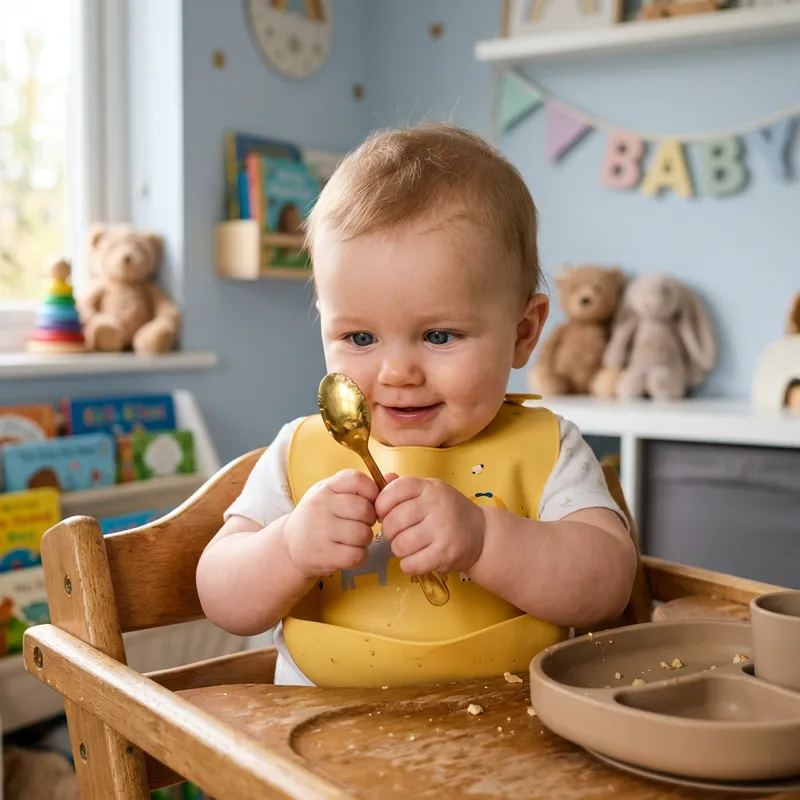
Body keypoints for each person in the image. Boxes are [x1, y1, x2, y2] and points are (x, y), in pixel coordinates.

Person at [196, 122, 637, 687]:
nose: (397, 374)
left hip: (507, 730)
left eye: (438, 336)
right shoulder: (300, 454)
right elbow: (222, 599)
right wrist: (288, 548)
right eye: (359, 338)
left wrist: (485, 539)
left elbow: (607, 586)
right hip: (319, 731)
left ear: (523, 332)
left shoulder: (547, 448)